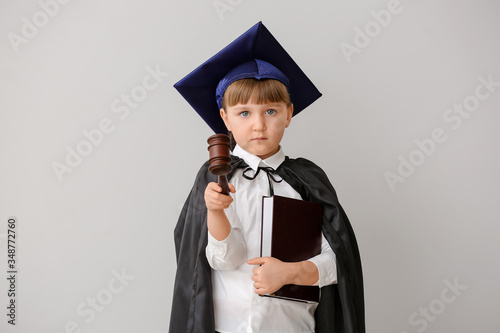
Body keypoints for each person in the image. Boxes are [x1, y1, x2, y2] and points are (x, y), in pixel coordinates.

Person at [170, 22, 365, 333]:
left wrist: (291, 273)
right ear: (225, 119)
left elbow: (340, 261)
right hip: (227, 327)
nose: (259, 125)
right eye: (244, 113)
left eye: (271, 111)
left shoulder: (307, 180)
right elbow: (222, 259)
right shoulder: (215, 177)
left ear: (288, 114)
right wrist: (216, 211)